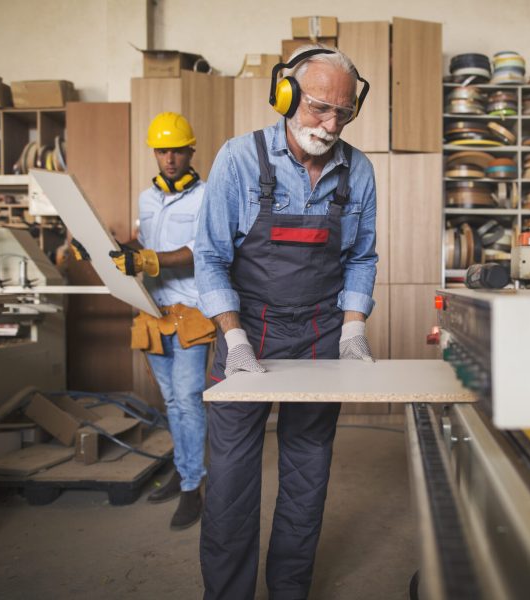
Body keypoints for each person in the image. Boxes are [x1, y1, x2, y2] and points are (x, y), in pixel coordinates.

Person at [194, 45, 377, 599]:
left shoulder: (358, 169)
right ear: (285, 95)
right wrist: (234, 339)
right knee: (228, 484)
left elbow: (361, 258)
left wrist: (352, 330)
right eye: (321, 108)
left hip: (322, 336)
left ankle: (289, 591)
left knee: (307, 476)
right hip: (247, 332)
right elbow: (210, 256)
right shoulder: (239, 159)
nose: (331, 124)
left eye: (343, 113)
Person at [111, 111, 215, 530]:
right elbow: (146, 245)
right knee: (172, 401)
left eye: (176, 149)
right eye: (161, 150)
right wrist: (117, 249)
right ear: (154, 153)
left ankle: (193, 486)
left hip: (191, 314)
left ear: (191, 150)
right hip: (153, 311)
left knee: (189, 399)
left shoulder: (207, 196)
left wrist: (151, 259)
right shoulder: (145, 198)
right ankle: (184, 468)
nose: (169, 158)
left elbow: (200, 249)